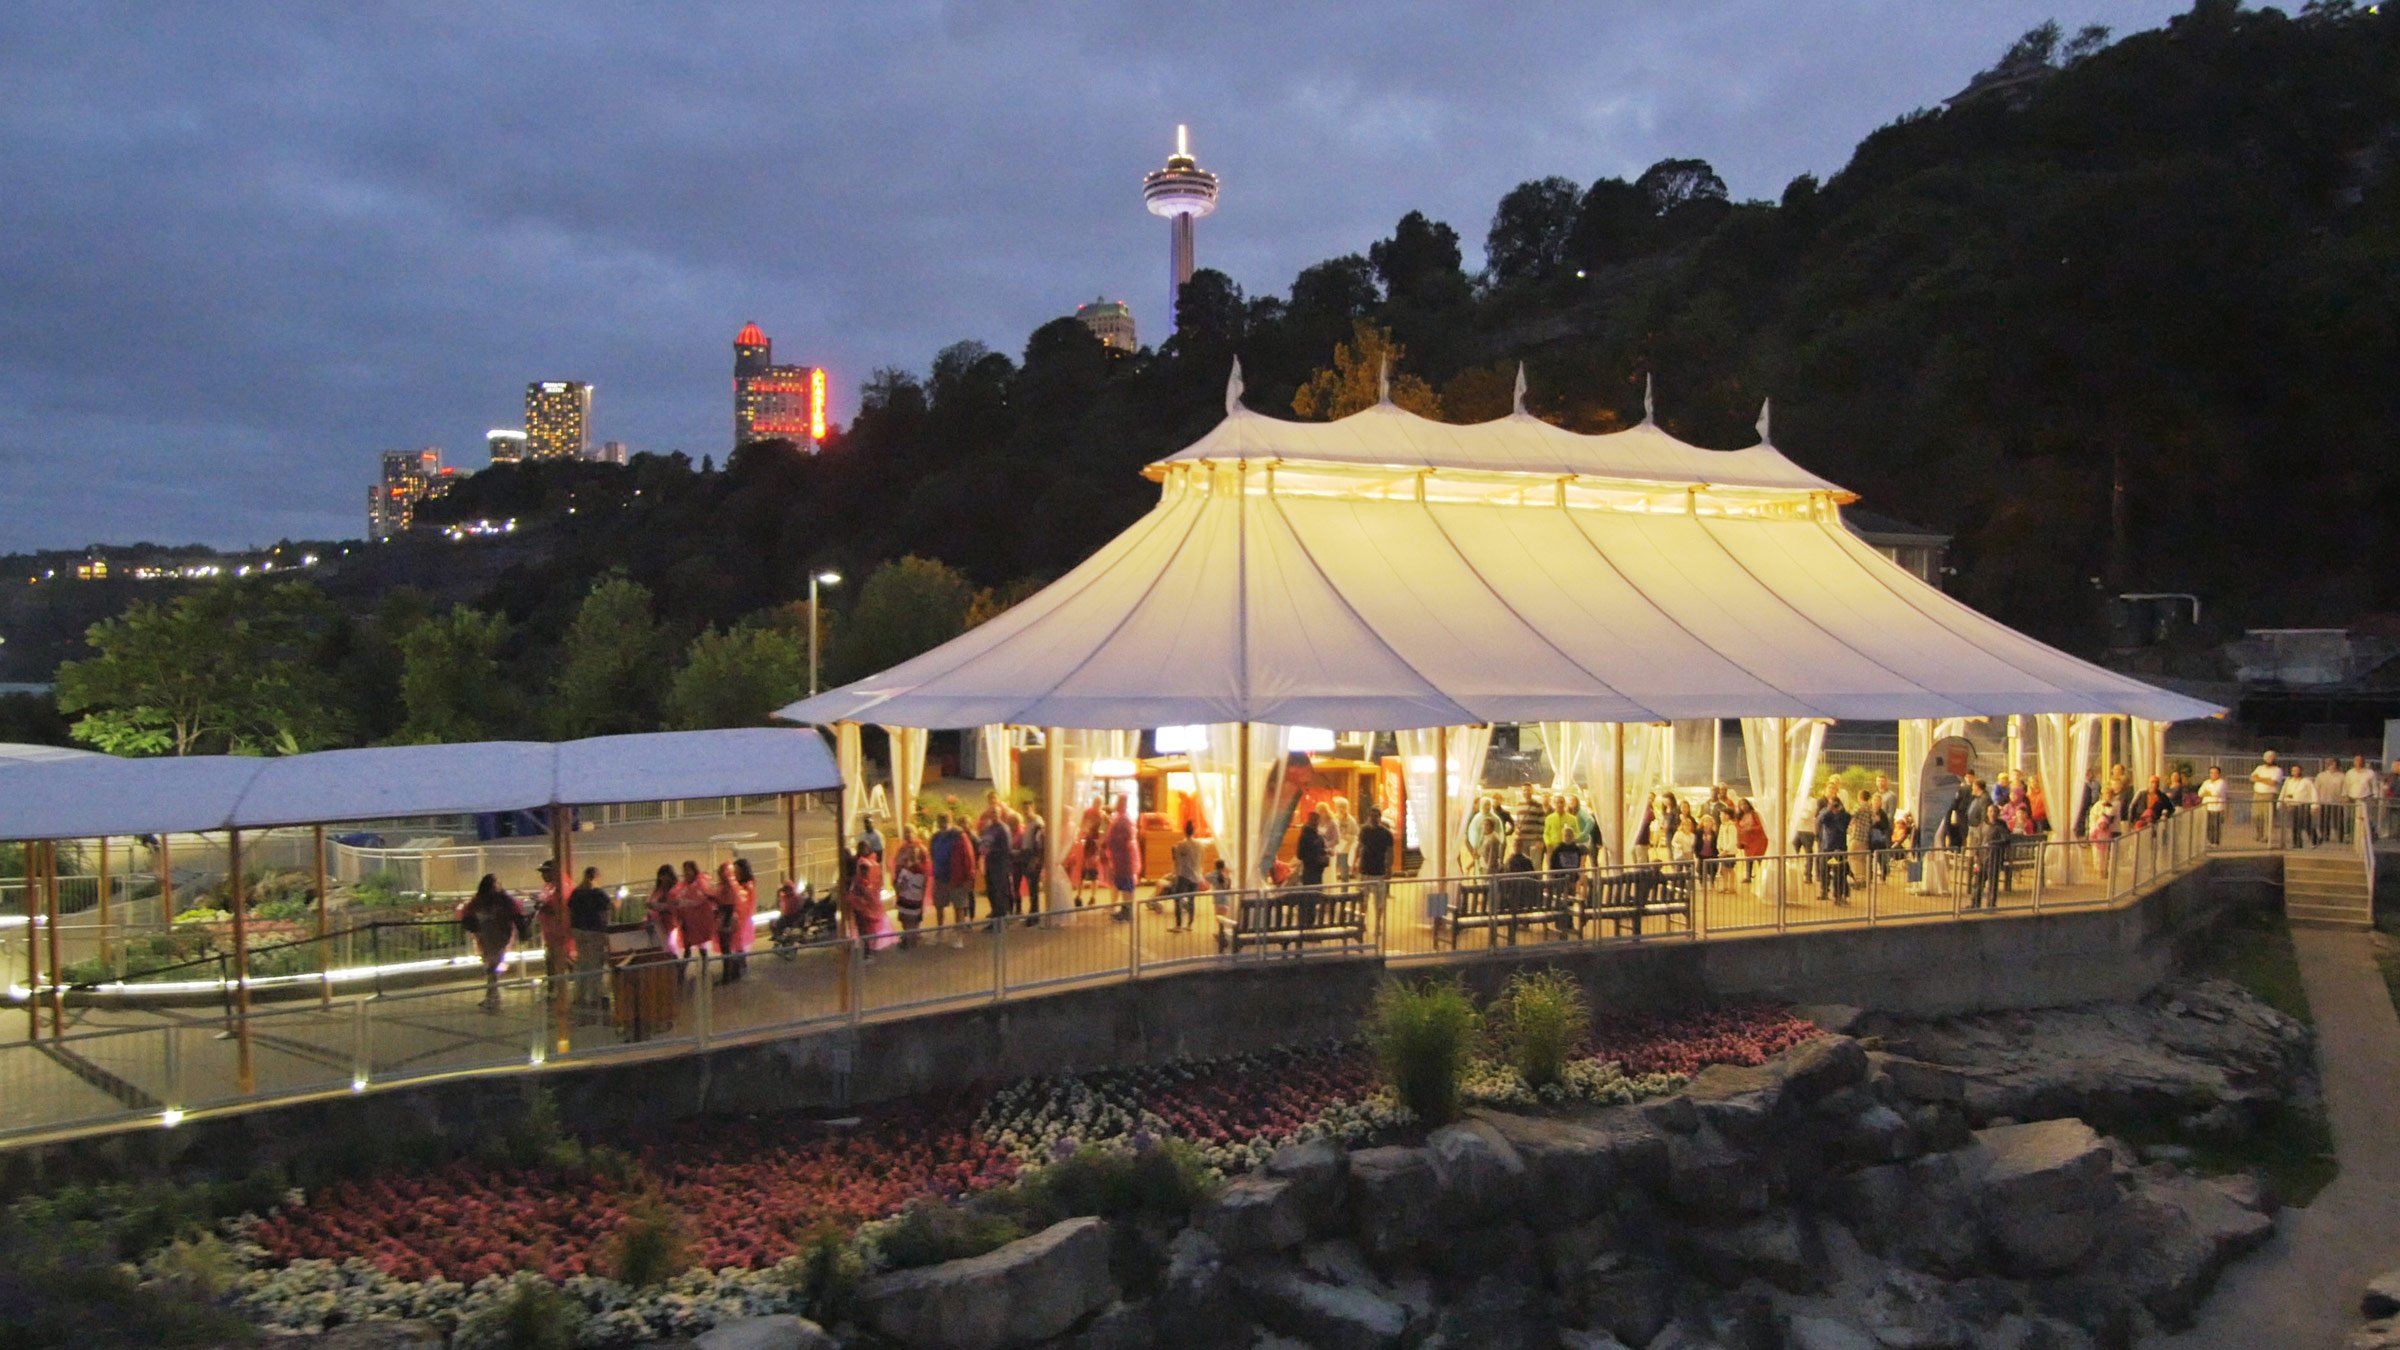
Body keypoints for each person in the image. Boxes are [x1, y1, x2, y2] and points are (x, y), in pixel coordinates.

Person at [458, 873, 526, 1012]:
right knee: (492, 964)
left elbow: (516, 914)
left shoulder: (499, 901)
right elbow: (468, 916)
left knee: (492, 964)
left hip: (497, 935)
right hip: (489, 935)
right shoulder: (492, 901)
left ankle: (492, 995)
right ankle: (492, 994)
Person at [567, 865, 611, 1006]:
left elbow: (570, 910)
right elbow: (609, 909)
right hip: (594, 931)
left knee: (582, 964)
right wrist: (619, 897)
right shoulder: (598, 893)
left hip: (578, 931)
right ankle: (595, 995)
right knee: (595, 964)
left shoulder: (576, 892)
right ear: (596, 877)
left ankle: (579, 995)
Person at [844, 844, 889, 961]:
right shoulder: (868, 863)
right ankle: (868, 950)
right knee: (864, 928)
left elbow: (866, 883)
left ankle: (869, 951)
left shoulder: (865, 863)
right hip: (863, 902)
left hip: (864, 903)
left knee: (866, 928)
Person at [534, 861, 575, 984]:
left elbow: (561, 907)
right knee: (553, 960)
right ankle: (553, 988)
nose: (543, 875)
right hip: (551, 932)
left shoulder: (563, 886)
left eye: (546, 872)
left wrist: (544, 906)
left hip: (562, 932)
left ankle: (561, 988)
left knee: (565, 958)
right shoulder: (549, 886)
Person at [674, 861, 718, 971]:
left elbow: (702, 898)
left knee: (701, 945)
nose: (686, 873)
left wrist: (684, 902)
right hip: (688, 921)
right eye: (685, 870)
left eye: (688, 870)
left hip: (699, 921)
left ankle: (703, 968)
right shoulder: (683, 886)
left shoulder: (701, 883)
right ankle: (683, 970)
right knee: (687, 946)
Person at [890, 826, 930, 947]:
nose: (908, 834)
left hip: (914, 884)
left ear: (915, 832)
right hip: (903, 882)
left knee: (914, 913)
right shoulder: (901, 848)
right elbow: (896, 863)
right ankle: (908, 934)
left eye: (910, 831)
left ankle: (912, 935)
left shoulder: (921, 849)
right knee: (903, 913)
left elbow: (926, 867)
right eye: (905, 832)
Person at [722, 858, 759, 981]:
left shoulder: (747, 885)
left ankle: (737, 971)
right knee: (736, 944)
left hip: (743, 919)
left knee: (738, 944)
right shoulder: (740, 885)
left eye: (737, 870)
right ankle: (737, 969)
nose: (735, 873)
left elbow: (743, 899)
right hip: (737, 918)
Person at [1166, 821, 1205, 932]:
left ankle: (1178, 925)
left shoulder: (1180, 845)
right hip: (1196, 875)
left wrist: (1175, 874)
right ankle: (1189, 924)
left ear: (1184, 831)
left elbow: (1177, 862)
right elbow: (1202, 859)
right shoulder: (1200, 845)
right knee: (1191, 900)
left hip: (1184, 875)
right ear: (1194, 831)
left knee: (1177, 899)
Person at [980, 810, 1017, 923]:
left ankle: (1001, 919)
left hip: (1000, 864)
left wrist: (992, 851)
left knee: (999, 892)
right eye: (992, 813)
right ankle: (995, 917)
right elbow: (984, 843)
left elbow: (1007, 848)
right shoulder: (989, 828)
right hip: (989, 863)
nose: (993, 815)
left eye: (996, 812)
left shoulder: (1003, 829)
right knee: (991, 891)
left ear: (1000, 814)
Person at [1815, 787, 1851, 903]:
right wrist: (1828, 810)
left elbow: (1844, 825)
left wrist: (1839, 813)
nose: (1834, 807)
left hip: (1839, 847)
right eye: (1831, 804)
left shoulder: (1844, 815)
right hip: (1827, 847)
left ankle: (1838, 895)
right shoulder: (1827, 814)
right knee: (1824, 870)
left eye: (1835, 804)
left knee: (1839, 873)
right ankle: (1824, 891)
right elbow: (1819, 819)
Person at [1105, 795, 1138, 920]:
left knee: (1126, 886)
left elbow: (1124, 838)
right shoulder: (1122, 819)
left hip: (1124, 859)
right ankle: (1125, 910)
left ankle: (1127, 911)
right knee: (1124, 885)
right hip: (1121, 859)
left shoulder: (1123, 820)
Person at [1357, 805, 1395, 902]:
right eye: (1371, 816)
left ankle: (1377, 917)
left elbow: (1390, 852)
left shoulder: (1386, 833)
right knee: (1363, 897)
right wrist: (1356, 863)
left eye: (1375, 816)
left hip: (1379, 869)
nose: (1373, 819)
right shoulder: (1364, 830)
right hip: (1365, 868)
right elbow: (1360, 847)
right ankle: (1363, 916)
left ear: (1379, 817)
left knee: (1379, 899)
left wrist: (1389, 867)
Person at [1016, 809, 1047, 924]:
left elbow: (1038, 844)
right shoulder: (1030, 824)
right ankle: (1033, 914)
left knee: (1033, 888)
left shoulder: (1037, 825)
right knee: (1032, 888)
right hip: (1029, 857)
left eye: (1027, 810)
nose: (1026, 813)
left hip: (1033, 858)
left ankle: (1034, 916)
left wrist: (1034, 859)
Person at [643, 865, 681, 956]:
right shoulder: (659, 889)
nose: (663, 879)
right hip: (659, 923)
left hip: (671, 921)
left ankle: (677, 966)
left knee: (671, 946)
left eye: (665, 876)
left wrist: (657, 906)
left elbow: (673, 905)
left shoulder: (675, 889)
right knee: (664, 948)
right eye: (661, 876)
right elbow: (651, 901)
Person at [2279, 764, 2317, 848]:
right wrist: (2280, 802)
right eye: (2293, 771)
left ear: (2300, 771)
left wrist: (2314, 805)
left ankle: (2315, 840)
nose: (2294, 772)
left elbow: (2313, 793)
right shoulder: (2288, 781)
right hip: (2292, 805)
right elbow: (2283, 791)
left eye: (2296, 770)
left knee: (2307, 824)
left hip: (2303, 805)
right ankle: (2297, 843)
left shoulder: (2306, 781)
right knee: (2294, 825)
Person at [2346, 755, 2382, 842]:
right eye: (2356, 760)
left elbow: (2374, 786)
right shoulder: (2350, 773)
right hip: (2352, 798)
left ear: (2363, 762)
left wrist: (2375, 797)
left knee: (2367, 818)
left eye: (2360, 760)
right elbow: (2346, 786)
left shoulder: (2370, 773)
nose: (2358, 762)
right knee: (2351, 818)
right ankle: (2351, 837)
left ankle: (2369, 836)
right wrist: (2345, 796)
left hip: (2366, 798)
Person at [2249, 751, 2283, 842]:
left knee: (2268, 817)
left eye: (2271, 757)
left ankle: (2268, 836)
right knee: (2256, 816)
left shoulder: (2277, 770)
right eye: (2267, 757)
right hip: (2257, 794)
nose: (2269, 759)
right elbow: (2252, 778)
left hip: (2269, 795)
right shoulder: (2260, 768)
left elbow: (2273, 782)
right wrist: (2265, 779)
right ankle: (2259, 834)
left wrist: (2259, 778)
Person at [2315, 758, 2349, 845]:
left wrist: (2344, 798)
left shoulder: (2342, 776)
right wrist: (2316, 800)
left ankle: (2340, 837)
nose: (2332, 766)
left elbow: (2344, 788)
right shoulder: (2321, 775)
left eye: (2334, 764)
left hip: (2337, 801)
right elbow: (2316, 788)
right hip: (2324, 800)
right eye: (2330, 764)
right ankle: (2324, 836)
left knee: (2338, 820)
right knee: (2324, 819)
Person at [1325, 798, 1357, 884]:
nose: (1341, 809)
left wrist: (1344, 836)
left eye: (1343, 807)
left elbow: (1355, 836)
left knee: (1344, 873)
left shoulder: (1351, 821)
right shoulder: (1334, 819)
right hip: (1334, 849)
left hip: (1345, 850)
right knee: (1332, 872)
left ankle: (1344, 893)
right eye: (1339, 807)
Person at [1297, 808, 1330, 888]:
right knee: (1314, 893)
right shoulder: (1314, 836)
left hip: (1313, 869)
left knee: (1312, 893)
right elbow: (1300, 854)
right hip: (1313, 869)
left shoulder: (1307, 835)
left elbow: (1300, 855)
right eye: (1315, 820)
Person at [2198, 765, 2228, 846]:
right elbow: (2200, 793)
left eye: (2215, 773)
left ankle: (2215, 842)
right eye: (2211, 773)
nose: (2213, 775)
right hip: (2207, 807)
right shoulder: (2206, 782)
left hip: (2217, 807)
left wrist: (2207, 792)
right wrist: (2209, 793)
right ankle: (2210, 841)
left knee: (2216, 825)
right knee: (2208, 825)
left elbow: (2216, 793)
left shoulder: (2222, 782)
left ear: (2219, 774)